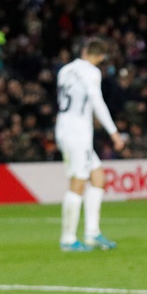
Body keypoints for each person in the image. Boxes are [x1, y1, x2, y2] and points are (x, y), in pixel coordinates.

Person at [54, 37, 125, 252]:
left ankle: (92, 233)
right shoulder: (92, 72)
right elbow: (96, 102)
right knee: (79, 180)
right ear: (101, 57)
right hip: (78, 132)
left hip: (64, 127)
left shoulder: (65, 70)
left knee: (98, 177)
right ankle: (68, 239)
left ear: (84, 50)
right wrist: (114, 133)